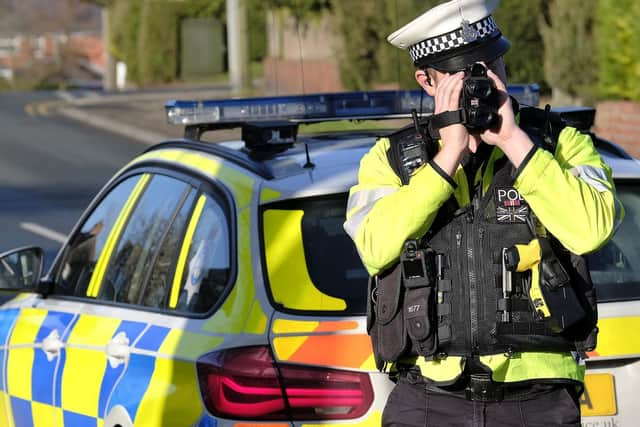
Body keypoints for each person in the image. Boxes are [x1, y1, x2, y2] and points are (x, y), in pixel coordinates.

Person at [343, 0, 624, 426]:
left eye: (491, 69)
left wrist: (514, 141)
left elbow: (591, 230)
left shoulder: (560, 145)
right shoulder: (392, 158)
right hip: (428, 397)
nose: (484, 85)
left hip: (540, 398)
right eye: (463, 77)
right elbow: (374, 247)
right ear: (426, 80)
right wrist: (448, 154)